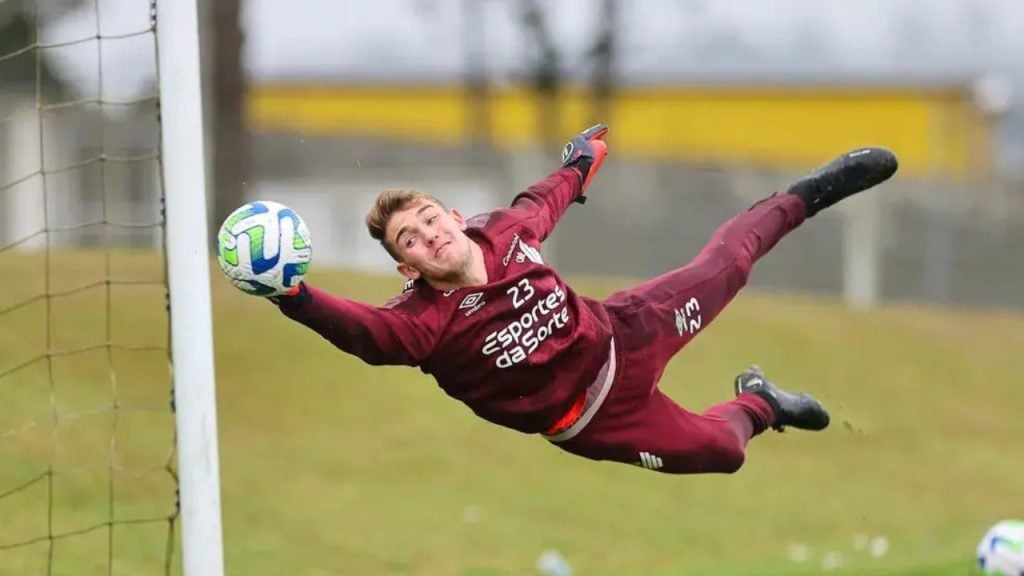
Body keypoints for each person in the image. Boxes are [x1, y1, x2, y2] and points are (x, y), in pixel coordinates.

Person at [269, 124, 898, 474]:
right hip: (596, 421)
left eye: (431, 218)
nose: (430, 235)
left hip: (627, 334)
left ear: (454, 216)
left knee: (728, 263)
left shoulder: (502, 232)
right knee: (724, 451)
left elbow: (541, 202)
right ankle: (760, 401)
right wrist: (295, 295)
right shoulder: (418, 324)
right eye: (412, 238)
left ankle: (813, 192)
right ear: (407, 265)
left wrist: (578, 163)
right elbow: (362, 334)